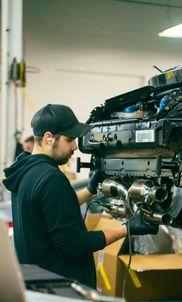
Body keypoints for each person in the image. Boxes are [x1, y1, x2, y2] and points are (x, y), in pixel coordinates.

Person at [3, 104, 158, 288]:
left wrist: (91, 189)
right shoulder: (51, 178)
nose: (75, 146)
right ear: (49, 138)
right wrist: (127, 229)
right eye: (69, 140)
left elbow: (56, 209)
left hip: (38, 281)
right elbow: (73, 244)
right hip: (61, 288)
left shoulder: (25, 171)